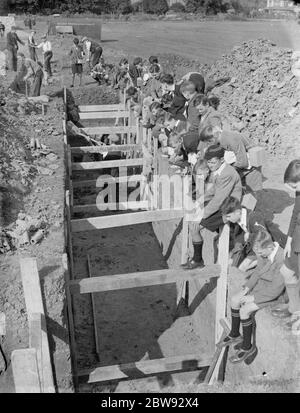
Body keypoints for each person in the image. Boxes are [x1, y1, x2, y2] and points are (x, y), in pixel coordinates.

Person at [218, 229, 286, 363]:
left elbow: (276, 290)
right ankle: (235, 334)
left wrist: (252, 298)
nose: (259, 256)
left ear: (269, 247)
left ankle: (248, 347)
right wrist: (246, 289)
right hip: (263, 287)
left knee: (245, 310)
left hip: (276, 295)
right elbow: (257, 272)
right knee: (234, 299)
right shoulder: (263, 251)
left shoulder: (282, 259)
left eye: (260, 253)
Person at [182, 145, 242, 270]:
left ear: (222, 160)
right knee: (194, 225)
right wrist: (200, 200)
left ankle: (198, 260)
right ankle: (197, 259)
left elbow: (219, 199)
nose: (210, 165)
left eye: (213, 162)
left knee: (195, 225)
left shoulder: (227, 173)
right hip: (223, 203)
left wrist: (202, 215)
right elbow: (214, 190)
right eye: (208, 162)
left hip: (229, 208)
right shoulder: (219, 170)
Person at [221, 196, 287, 271]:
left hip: (267, 243)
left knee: (242, 268)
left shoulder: (254, 218)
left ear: (238, 212)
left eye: (229, 216)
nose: (227, 219)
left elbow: (263, 234)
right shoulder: (238, 218)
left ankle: (265, 260)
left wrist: (249, 236)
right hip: (254, 244)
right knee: (235, 264)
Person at [271, 160, 300, 322]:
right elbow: (295, 215)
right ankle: (294, 308)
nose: (293, 191)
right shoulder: (299, 193)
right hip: (296, 239)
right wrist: (288, 240)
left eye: (294, 187)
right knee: (286, 272)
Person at [199, 125, 263, 194]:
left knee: (253, 195)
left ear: (213, 138)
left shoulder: (231, 139)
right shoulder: (220, 141)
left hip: (251, 168)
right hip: (241, 169)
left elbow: (243, 162)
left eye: (208, 142)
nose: (208, 144)